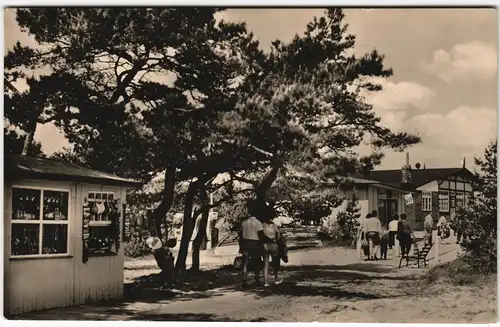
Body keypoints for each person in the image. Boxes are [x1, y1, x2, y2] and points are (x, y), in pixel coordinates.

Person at [239, 199, 268, 287]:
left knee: (245, 263)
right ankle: (257, 279)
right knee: (257, 262)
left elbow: (241, 234)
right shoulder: (258, 223)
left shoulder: (244, 223)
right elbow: (261, 235)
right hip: (255, 244)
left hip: (245, 243)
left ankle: (244, 280)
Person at [261, 205, 283, 287]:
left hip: (265, 245)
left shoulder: (263, 225)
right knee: (275, 263)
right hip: (273, 245)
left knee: (265, 264)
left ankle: (266, 282)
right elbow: (278, 237)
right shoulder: (274, 225)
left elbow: (260, 235)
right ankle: (276, 279)